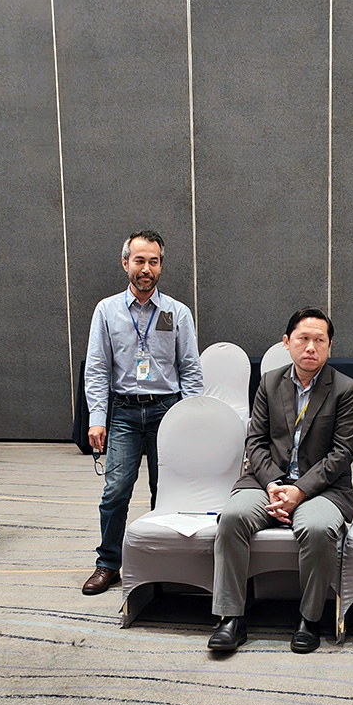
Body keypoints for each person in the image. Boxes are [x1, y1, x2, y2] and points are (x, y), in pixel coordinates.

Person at [207, 307, 353, 654]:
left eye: (319, 340)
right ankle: (231, 618)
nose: (311, 347)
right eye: (303, 338)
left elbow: (341, 454)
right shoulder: (269, 382)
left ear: (330, 346)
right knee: (232, 518)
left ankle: (309, 619)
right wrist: (274, 485)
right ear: (287, 342)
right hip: (267, 483)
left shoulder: (346, 389)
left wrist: (300, 490)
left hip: (323, 489)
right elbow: (255, 442)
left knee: (318, 528)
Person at [81, 230, 203, 596]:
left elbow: (191, 369)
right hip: (124, 412)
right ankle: (108, 564)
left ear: (161, 266)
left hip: (167, 411)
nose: (146, 268)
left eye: (153, 261)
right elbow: (97, 368)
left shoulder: (177, 312)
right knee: (116, 490)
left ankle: (161, 563)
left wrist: (192, 419)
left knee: (164, 491)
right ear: (125, 264)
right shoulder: (106, 311)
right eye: (139, 261)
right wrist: (96, 418)